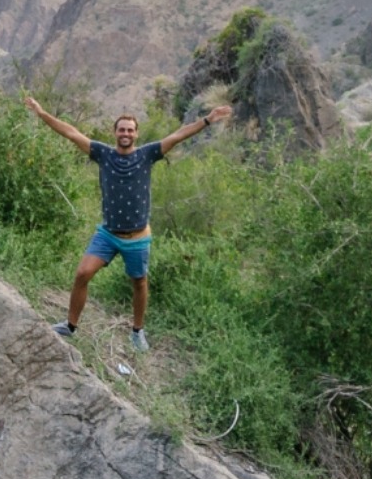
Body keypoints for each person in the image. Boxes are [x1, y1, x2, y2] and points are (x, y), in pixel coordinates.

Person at [25, 93, 232, 351]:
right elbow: (71, 133)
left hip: (137, 237)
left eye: (130, 130)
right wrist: (42, 113)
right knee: (82, 274)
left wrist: (208, 120)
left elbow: (179, 135)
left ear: (136, 133)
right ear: (115, 133)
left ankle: (137, 331)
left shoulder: (147, 154)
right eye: (121, 129)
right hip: (108, 234)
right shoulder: (102, 154)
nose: (126, 133)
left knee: (139, 283)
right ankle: (70, 326)